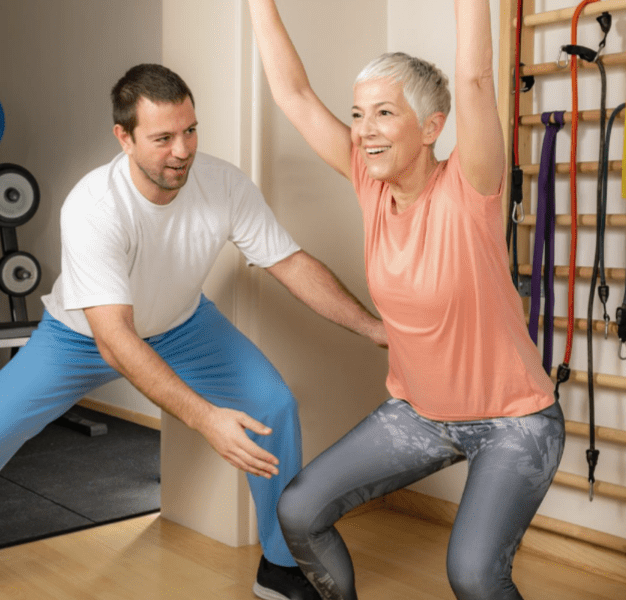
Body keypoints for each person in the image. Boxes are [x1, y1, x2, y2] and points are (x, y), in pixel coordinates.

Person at [0, 63, 386, 600]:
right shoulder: (95, 205)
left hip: (182, 326)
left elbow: (290, 263)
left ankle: (280, 566)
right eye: (163, 137)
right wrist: (206, 419)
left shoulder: (222, 183)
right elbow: (115, 340)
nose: (183, 150)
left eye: (191, 130)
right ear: (124, 137)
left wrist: (373, 328)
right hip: (79, 339)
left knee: (273, 407)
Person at [246, 0, 565, 598]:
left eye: (384, 113)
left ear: (431, 127)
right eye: (358, 114)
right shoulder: (371, 183)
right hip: (420, 414)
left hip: (514, 422)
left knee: (473, 575)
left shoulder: (472, 185)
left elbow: (473, 77)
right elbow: (292, 94)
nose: (363, 129)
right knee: (298, 511)